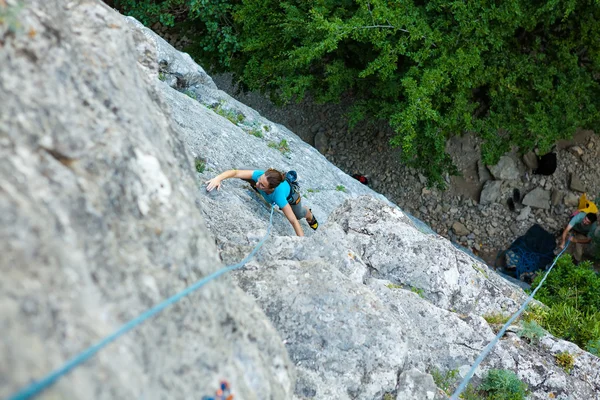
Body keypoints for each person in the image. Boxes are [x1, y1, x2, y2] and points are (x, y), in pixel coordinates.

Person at [205, 168, 318, 236]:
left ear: (271, 188)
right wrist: (218, 179)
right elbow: (235, 172)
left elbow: (293, 221)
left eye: (262, 185)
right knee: (244, 171)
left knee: (299, 214)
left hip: (291, 196)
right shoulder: (260, 175)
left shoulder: (279, 197)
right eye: (259, 181)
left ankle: (309, 215)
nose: (257, 184)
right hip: (272, 187)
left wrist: (302, 243)